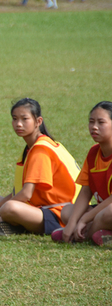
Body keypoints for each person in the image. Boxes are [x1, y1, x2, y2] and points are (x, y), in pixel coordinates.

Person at [0, 98, 80, 236]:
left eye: (24, 119)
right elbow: (21, 192)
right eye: (15, 119)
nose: (18, 124)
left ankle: (12, 225)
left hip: (58, 214)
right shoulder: (31, 147)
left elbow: (26, 193)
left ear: (38, 121)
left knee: (10, 207)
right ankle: (10, 225)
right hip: (38, 207)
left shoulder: (40, 150)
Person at [53, 102, 112, 246]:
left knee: (108, 213)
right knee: (67, 211)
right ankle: (100, 235)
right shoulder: (93, 152)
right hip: (100, 211)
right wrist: (72, 222)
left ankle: (81, 235)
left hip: (107, 210)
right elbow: (86, 191)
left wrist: (84, 219)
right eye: (91, 122)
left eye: (101, 122)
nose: (94, 127)